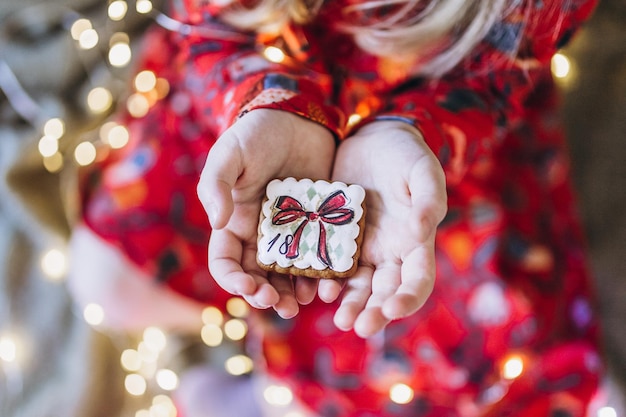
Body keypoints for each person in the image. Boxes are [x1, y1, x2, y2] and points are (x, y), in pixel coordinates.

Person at [68, 0, 606, 415]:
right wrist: (268, 101)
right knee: (105, 283)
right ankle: (259, 342)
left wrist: (411, 129)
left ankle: (269, 388)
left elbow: (497, 71)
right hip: (244, 96)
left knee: (464, 368)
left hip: (434, 148)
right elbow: (210, 21)